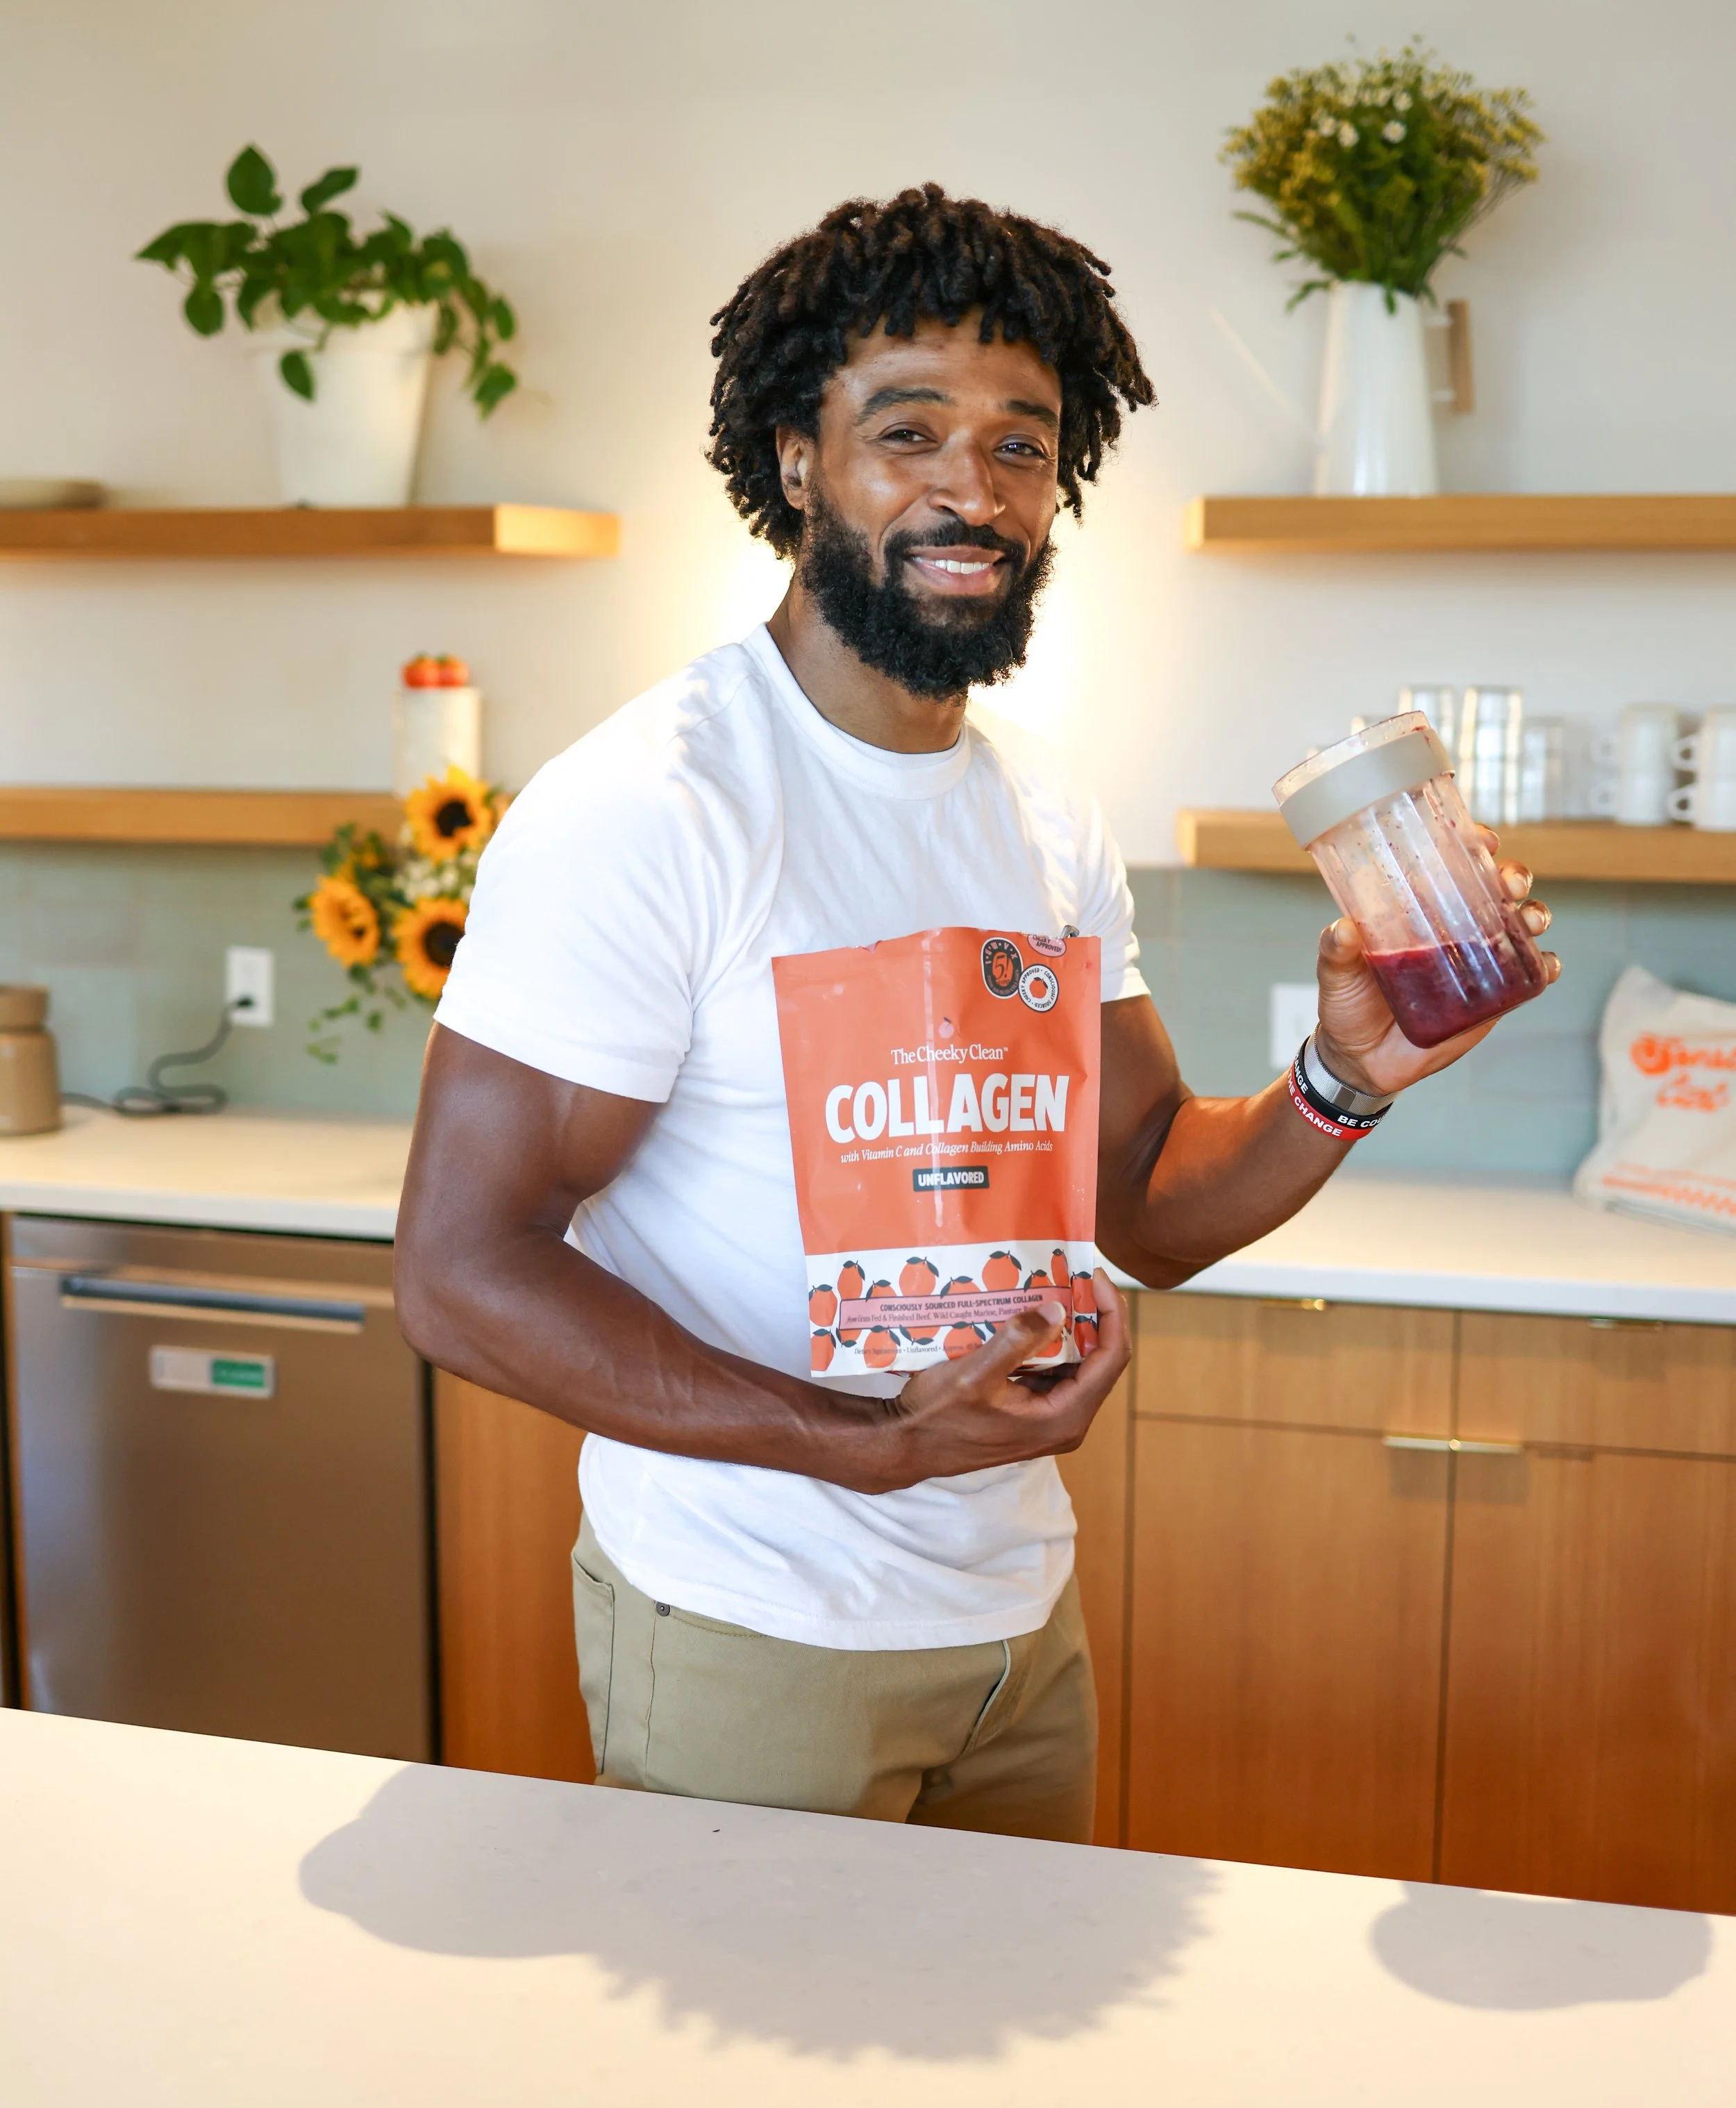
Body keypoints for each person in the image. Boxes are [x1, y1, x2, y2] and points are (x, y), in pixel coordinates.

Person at [395, 183, 1556, 1843]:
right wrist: (858, 1447)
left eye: (1021, 443)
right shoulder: (655, 808)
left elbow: (1142, 1201)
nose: (971, 486)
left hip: (1014, 1622)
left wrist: (1339, 1078)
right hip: (755, 1626)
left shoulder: (1039, 816)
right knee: (765, 2097)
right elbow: (457, 1274)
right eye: (909, 429)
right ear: (797, 456)